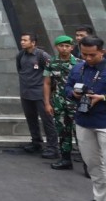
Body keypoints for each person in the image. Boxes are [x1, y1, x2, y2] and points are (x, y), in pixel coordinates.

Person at [66, 35, 106, 201]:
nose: (88, 58)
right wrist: (72, 93)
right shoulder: (77, 68)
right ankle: (99, 198)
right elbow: (67, 87)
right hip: (83, 121)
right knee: (93, 165)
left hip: (104, 122)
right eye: (84, 54)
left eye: (92, 55)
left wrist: (102, 98)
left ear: (102, 52)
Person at [17, 32, 58, 158]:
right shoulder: (20, 55)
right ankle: (36, 142)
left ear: (33, 42)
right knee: (31, 119)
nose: (22, 42)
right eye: (21, 40)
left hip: (40, 94)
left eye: (25, 40)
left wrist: (50, 93)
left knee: (47, 121)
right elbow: (20, 70)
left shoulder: (42, 55)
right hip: (26, 93)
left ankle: (53, 148)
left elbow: (51, 73)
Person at [43, 34, 79, 170]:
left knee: (80, 133)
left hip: (75, 103)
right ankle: (65, 159)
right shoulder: (51, 62)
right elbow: (46, 83)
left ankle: (89, 164)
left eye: (67, 46)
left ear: (72, 47)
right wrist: (47, 103)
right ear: (56, 47)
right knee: (63, 132)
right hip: (58, 102)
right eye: (61, 46)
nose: (64, 48)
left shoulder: (79, 63)